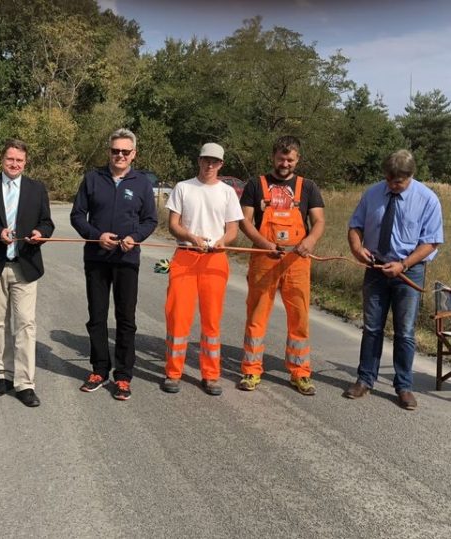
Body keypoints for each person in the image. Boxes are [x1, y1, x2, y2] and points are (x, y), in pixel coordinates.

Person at [346, 149, 443, 410]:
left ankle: (403, 386)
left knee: (405, 332)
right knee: (372, 327)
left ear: (410, 176)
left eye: (397, 181)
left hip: (408, 272)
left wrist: (403, 264)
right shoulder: (373, 193)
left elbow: (431, 241)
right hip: (375, 269)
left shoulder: (428, 199)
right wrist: (357, 248)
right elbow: (355, 226)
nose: (392, 184)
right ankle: (365, 379)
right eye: (388, 179)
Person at [0, 139, 54, 408]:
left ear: (26, 162)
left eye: (19, 160)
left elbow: (47, 222)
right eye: (10, 159)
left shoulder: (37, 189)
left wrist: (42, 234)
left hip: (25, 266)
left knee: (26, 324)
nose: (14, 164)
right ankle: (3, 376)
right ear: (1, 160)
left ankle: (25, 383)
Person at [70, 128, 158, 400]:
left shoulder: (142, 183)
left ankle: (123, 376)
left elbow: (150, 221)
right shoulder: (92, 179)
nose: (119, 155)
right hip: (97, 258)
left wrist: (135, 237)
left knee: (126, 319)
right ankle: (99, 369)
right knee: (97, 316)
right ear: (108, 151)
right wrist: (97, 236)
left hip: (127, 260)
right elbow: (77, 216)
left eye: (125, 151)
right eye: (115, 150)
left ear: (134, 154)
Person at [237, 135, 325, 395]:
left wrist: (310, 241)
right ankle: (251, 370)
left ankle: (300, 372)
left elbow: (318, 221)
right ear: (273, 157)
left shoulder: (308, 187)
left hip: (297, 261)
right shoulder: (256, 184)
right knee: (257, 316)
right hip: (265, 259)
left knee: (299, 317)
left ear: (297, 159)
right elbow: (245, 221)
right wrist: (264, 244)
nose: (284, 163)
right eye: (280, 158)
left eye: (290, 159)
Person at [161, 143, 243, 395]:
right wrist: (190, 236)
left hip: (215, 259)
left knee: (211, 319)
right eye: (206, 160)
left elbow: (233, 230)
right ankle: (173, 373)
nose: (210, 165)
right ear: (199, 160)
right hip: (186, 255)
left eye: (215, 161)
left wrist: (223, 242)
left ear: (221, 164)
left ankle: (211, 375)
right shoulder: (183, 188)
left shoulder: (228, 192)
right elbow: (173, 224)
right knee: (178, 316)